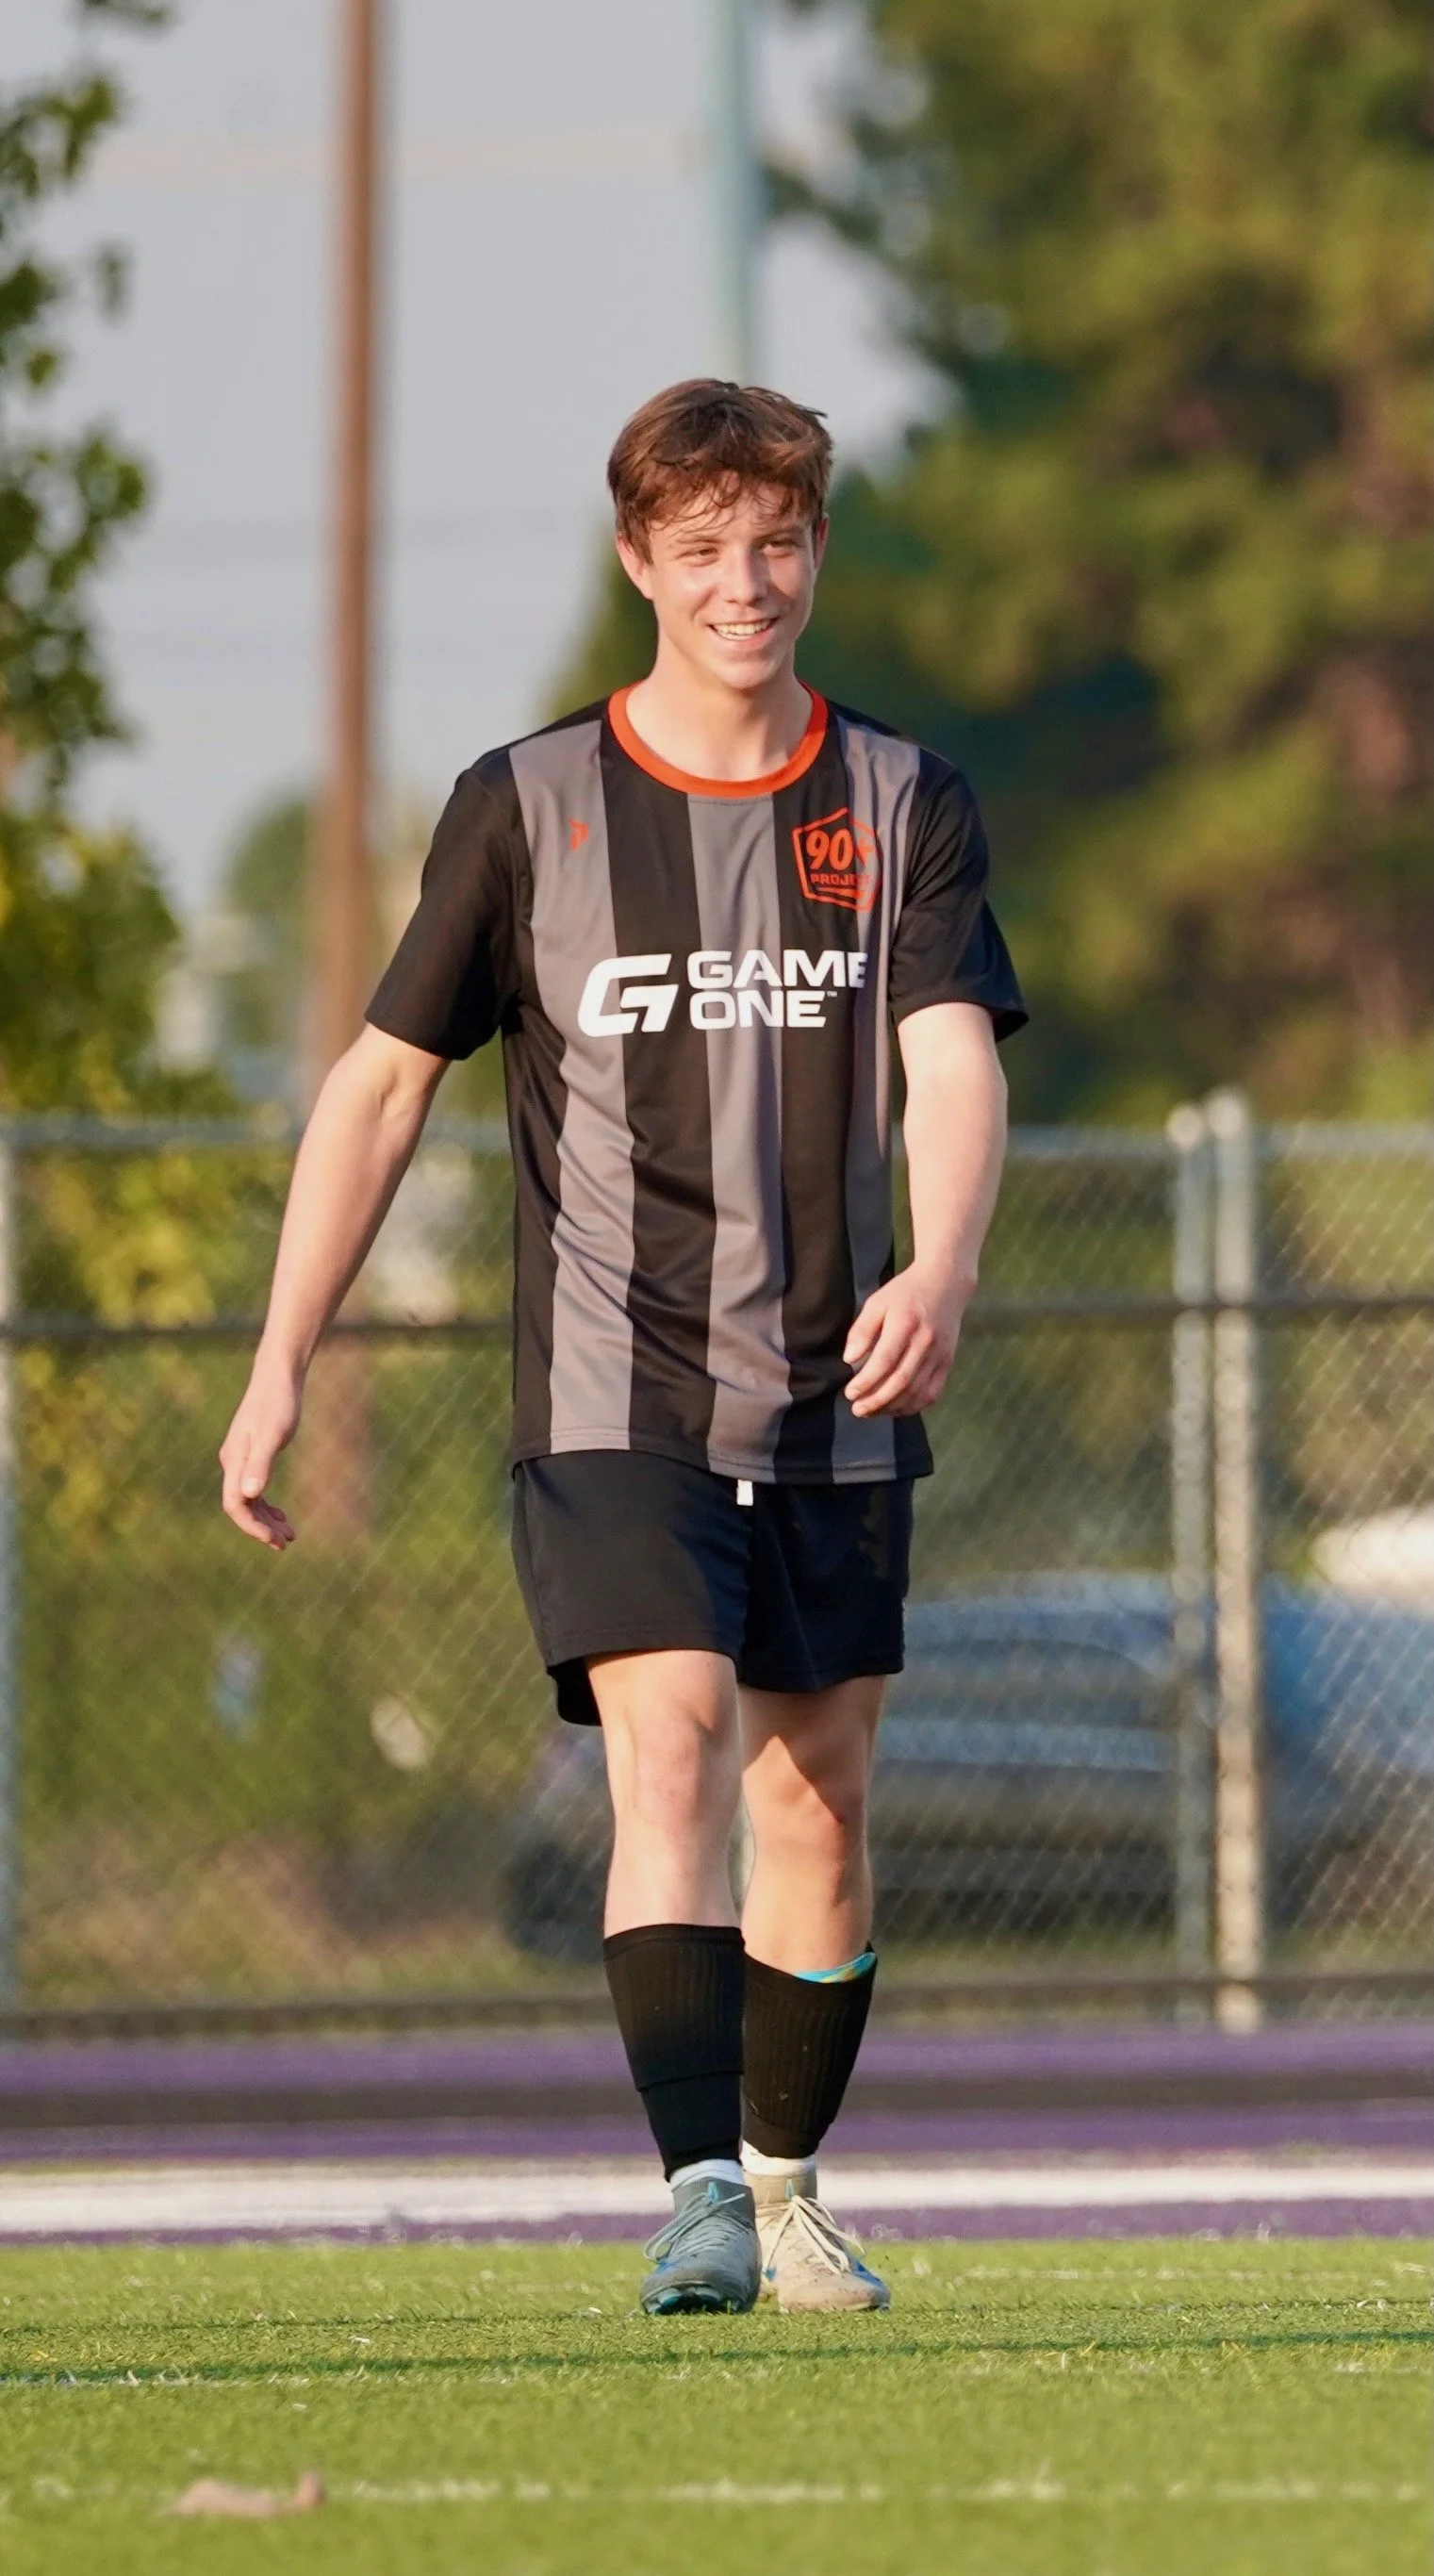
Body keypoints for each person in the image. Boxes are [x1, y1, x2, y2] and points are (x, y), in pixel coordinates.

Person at [220, 379, 1025, 2317]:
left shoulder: (903, 801)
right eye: (700, 552)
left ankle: (785, 2177)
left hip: (836, 1386)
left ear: (812, 552)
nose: (742, 584)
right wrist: (279, 1355)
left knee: (814, 1788)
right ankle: (691, 2193)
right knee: (666, 1739)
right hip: (609, 1392)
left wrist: (944, 1266)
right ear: (636, 564)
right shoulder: (528, 804)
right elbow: (378, 1092)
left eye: (774, 545)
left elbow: (948, 1059)